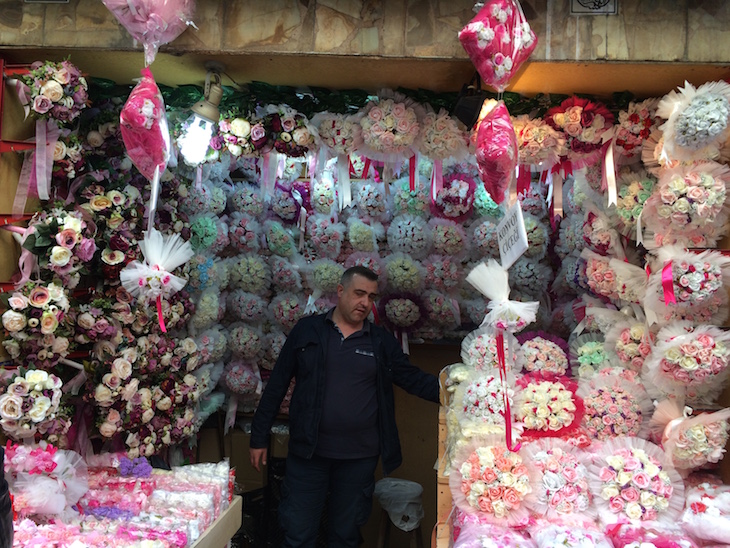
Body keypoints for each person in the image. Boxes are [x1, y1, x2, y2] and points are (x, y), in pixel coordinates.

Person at [250, 265, 439, 547]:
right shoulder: (308, 331)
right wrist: (258, 436)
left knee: (345, 536)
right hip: (308, 454)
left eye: (371, 297)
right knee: (298, 533)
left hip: (358, 459)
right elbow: (277, 384)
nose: (365, 302)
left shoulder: (380, 342)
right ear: (340, 291)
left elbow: (412, 379)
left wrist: (458, 391)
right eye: (359, 293)